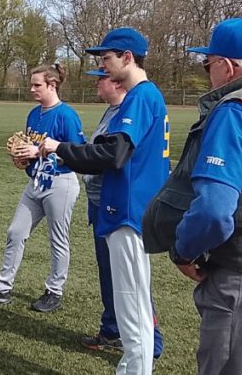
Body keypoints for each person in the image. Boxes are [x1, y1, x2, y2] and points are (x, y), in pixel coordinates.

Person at [41, 28, 169, 375]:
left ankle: (135, 370)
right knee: (132, 302)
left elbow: (114, 154)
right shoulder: (144, 96)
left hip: (128, 209)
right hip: (130, 207)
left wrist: (59, 147)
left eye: (107, 58)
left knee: (132, 304)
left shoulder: (140, 96)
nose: (102, 65)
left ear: (128, 57)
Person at [146, 18, 242, 374]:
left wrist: (184, 250)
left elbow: (214, 211)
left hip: (241, 274)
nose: (208, 73)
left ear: (227, 66)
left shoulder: (236, 110)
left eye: (208, 64)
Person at [0, 63, 84, 312]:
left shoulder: (66, 115)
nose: (32, 89)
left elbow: (78, 153)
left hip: (60, 183)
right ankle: (2, 288)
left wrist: (40, 152)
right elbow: (31, 151)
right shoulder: (34, 114)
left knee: (58, 239)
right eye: (31, 84)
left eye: (37, 85)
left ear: (52, 85)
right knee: (15, 232)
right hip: (35, 182)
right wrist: (24, 158)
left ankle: (54, 291)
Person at [79, 68, 164, 360]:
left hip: (118, 204)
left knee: (132, 281)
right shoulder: (113, 111)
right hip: (101, 203)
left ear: (117, 83)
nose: (97, 82)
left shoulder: (132, 109)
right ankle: (112, 329)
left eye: (101, 77)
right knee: (111, 274)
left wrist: (62, 151)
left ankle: (150, 342)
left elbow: (110, 157)